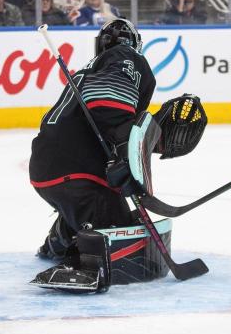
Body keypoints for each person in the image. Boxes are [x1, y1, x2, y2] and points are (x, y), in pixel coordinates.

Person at [29, 19, 203, 292]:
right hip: (77, 171)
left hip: (50, 168)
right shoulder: (126, 56)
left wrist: (146, 140)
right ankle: (78, 255)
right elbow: (109, 105)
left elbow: (110, 119)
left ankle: (61, 238)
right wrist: (125, 154)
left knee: (114, 213)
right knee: (121, 235)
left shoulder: (93, 68)